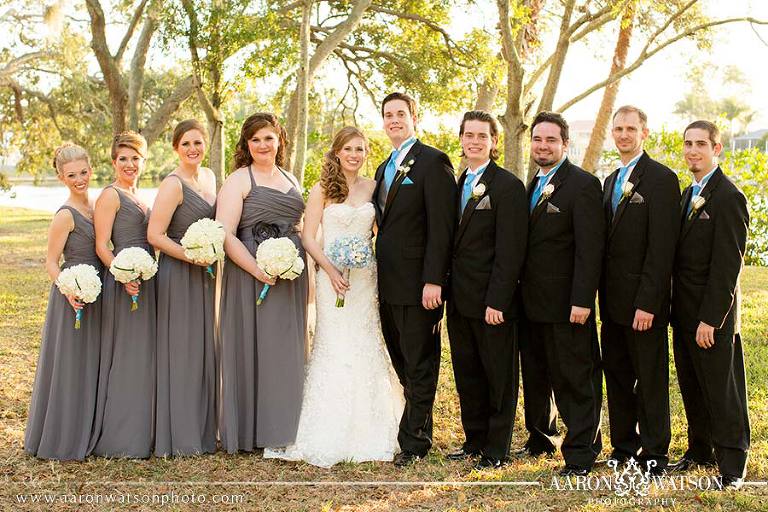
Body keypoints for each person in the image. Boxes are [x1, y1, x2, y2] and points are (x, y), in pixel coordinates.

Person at [264, 127, 404, 467]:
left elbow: (382, 230)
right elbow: (309, 238)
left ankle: (372, 427)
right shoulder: (322, 190)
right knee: (335, 345)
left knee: (366, 342)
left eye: (360, 149)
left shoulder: (374, 187)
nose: (355, 154)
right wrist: (330, 270)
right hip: (332, 280)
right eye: (348, 149)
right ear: (337, 152)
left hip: (364, 281)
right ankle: (328, 429)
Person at [373, 92, 458, 466]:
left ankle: (415, 442)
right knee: (402, 359)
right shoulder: (382, 168)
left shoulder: (433, 161)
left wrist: (434, 280)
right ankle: (415, 424)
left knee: (420, 360)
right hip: (387, 283)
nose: (394, 120)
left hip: (420, 284)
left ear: (414, 117)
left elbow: (442, 227)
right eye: (388, 115)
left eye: (400, 114)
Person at [519, 112, 604, 476]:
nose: (543, 146)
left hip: (568, 304)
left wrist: (582, 300)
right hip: (531, 302)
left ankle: (582, 452)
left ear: (565, 145)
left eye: (551, 140)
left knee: (574, 379)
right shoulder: (531, 184)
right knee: (537, 376)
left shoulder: (582, 184)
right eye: (538, 139)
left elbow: (590, 249)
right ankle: (541, 439)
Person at [217, 113, 308, 453]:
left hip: (289, 274)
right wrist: (257, 270)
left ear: (280, 140)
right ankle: (251, 429)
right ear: (247, 145)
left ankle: (284, 426)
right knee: (252, 347)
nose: (262, 145)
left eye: (268, 138)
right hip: (248, 273)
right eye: (255, 140)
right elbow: (225, 233)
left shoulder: (291, 178)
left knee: (284, 349)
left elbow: (299, 227)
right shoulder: (239, 180)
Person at [600, 106, 680, 474]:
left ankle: (655, 452)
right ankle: (623, 447)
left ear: (644, 133)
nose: (623, 135)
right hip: (612, 302)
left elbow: (662, 248)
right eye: (618, 129)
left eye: (631, 129)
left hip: (643, 303)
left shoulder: (662, 179)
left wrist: (649, 302)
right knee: (616, 376)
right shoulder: (610, 179)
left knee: (649, 378)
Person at [670, 120, 750, 490]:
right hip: (683, 313)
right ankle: (700, 450)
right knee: (692, 385)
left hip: (711, 317)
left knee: (722, 390)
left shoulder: (729, 196)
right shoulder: (688, 194)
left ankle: (732, 465)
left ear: (717, 149)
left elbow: (726, 266)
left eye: (701, 144)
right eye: (688, 144)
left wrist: (711, 319)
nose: (693, 151)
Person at [445, 111, 528, 469]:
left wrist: (498, 300)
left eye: (482, 136)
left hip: (493, 301)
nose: (475, 141)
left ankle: (497, 448)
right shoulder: (458, 181)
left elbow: (511, 251)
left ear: (495, 142)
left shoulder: (507, 186)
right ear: (461, 139)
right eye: (469, 135)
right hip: (460, 299)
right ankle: (474, 440)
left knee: (499, 376)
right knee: (468, 372)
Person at [25, 144, 102, 460]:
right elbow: (51, 262)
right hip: (72, 294)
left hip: (96, 289)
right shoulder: (65, 215)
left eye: (83, 172)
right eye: (72, 175)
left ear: (91, 169)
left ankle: (89, 425)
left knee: (90, 362)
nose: (79, 179)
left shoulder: (95, 206)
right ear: (61, 177)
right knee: (70, 364)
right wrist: (68, 289)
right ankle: (62, 435)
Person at [148, 120, 217, 457]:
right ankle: (179, 434)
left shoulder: (209, 178)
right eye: (186, 143)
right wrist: (192, 256)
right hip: (178, 273)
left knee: (202, 349)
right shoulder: (172, 185)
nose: (193, 149)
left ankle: (202, 431)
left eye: (198, 143)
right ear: (176, 147)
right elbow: (155, 235)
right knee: (181, 351)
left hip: (205, 277)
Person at [90, 131, 156, 458]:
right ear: (114, 162)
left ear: (144, 162)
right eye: (123, 159)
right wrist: (123, 274)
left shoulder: (141, 197)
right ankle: (120, 437)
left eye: (135, 159)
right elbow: (102, 245)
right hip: (123, 283)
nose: (129, 164)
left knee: (144, 357)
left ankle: (143, 429)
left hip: (147, 281)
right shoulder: (110, 196)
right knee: (126, 355)